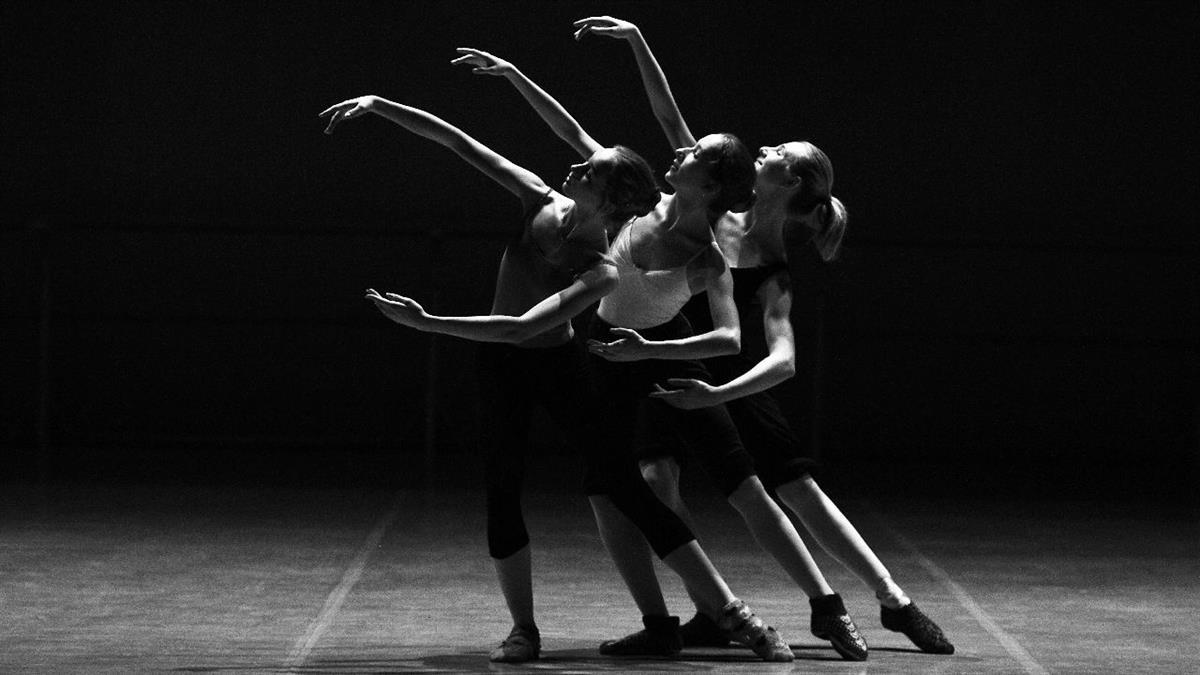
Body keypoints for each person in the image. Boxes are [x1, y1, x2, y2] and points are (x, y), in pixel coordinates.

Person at [320, 92, 793, 663]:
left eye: (587, 171)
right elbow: (458, 141)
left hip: (559, 366)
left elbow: (523, 328)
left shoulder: (600, 271)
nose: (573, 167)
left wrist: (428, 322)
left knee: (623, 484)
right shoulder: (536, 197)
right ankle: (524, 629)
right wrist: (381, 105)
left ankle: (734, 614)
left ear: (606, 195)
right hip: (501, 368)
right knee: (503, 488)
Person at [453, 44, 862, 661]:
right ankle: (672, 619)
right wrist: (518, 76)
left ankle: (801, 608)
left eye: (694, 154)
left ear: (714, 182)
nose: (679, 150)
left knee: (742, 482)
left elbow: (730, 339)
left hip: (662, 367)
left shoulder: (710, 253)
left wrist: (652, 351)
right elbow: (584, 130)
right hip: (606, 364)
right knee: (615, 490)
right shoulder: (642, 204)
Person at [574, 15, 956, 656]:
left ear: (793, 182)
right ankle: (705, 609)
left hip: (732, 380)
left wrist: (720, 392)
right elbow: (670, 119)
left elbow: (781, 361)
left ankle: (892, 602)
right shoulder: (716, 212)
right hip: (676, 360)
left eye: (777, 154)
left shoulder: (774, 271)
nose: (763, 151)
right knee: (656, 475)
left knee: (792, 489)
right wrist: (638, 40)